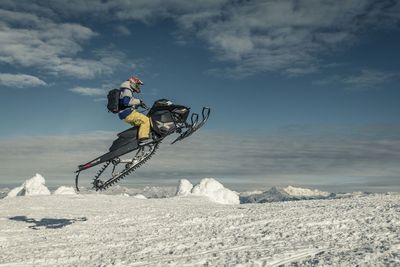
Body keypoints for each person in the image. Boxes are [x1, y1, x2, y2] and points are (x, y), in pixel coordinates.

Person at [118, 76, 152, 145]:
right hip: (127, 113)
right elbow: (126, 102)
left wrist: (138, 104)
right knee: (145, 120)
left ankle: (139, 137)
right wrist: (139, 101)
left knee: (140, 123)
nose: (138, 86)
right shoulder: (127, 90)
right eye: (138, 84)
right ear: (133, 82)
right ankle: (142, 139)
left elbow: (126, 103)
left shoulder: (125, 90)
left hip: (125, 114)